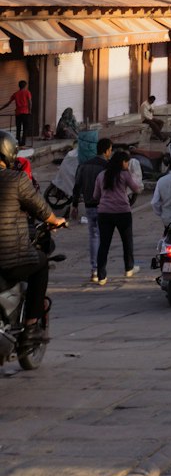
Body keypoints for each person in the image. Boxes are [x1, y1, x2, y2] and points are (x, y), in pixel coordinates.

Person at [0, 131, 66, 342]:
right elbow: (42, 209)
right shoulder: (17, 178)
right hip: (9, 255)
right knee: (41, 264)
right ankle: (30, 327)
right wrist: (56, 221)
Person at [93, 148, 142, 283]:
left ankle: (101, 276)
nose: (127, 165)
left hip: (104, 213)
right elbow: (136, 188)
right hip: (122, 212)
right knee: (127, 242)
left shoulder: (101, 175)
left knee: (104, 245)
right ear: (123, 163)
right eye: (127, 162)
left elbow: (96, 196)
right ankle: (129, 268)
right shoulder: (124, 175)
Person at [71, 136, 112, 282]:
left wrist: (75, 205)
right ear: (107, 151)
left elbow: (77, 186)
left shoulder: (84, 165)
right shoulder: (107, 166)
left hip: (89, 206)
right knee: (104, 238)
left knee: (94, 236)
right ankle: (102, 270)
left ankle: (94, 270)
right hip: (104, 207)